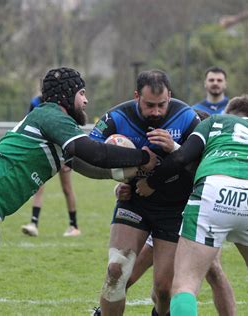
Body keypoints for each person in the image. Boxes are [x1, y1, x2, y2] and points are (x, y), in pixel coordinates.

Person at [0, 67, 157, 316]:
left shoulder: (53, 124)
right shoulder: (52, 116)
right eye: (82, 93)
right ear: (67, 94)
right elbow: (94, 152)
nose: (86, 101)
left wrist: (122, 175)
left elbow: (86, 165)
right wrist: (141, 156)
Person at [136, 94, 248, 315]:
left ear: (228, 112)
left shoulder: (215, 121)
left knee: (185, 285)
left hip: (214, 189)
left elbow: (182, 157)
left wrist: (151, 182)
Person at [89, 69, 200, 316]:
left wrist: (175, 147)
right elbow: (87, 154)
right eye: (150, 105)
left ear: (170, 96)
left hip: (174, 209)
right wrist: (119, 176)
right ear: (137, 95)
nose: (157, 112)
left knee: (163, 290)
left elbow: (202, 163)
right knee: (116, 271)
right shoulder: (117, 117)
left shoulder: (186, 116)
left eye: (162, 104)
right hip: (134, 203)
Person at [106, 108, 236, 316]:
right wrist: (124, 187)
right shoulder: (167, 145)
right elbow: (147, 177)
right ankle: (103, 309)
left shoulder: (205, 156)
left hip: (186, 220)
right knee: (122, 274)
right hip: (159, 217)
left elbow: (185, 171)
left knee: (207, 273)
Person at [21, 95, 81, 237]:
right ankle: (33, 224)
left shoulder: (65, 102)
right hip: (44, 151)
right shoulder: (35, 102)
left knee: (67, 188)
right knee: (38, 186)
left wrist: (69, 155)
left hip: (62, 151)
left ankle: (74, 226)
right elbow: (30, 123)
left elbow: (71, 127)